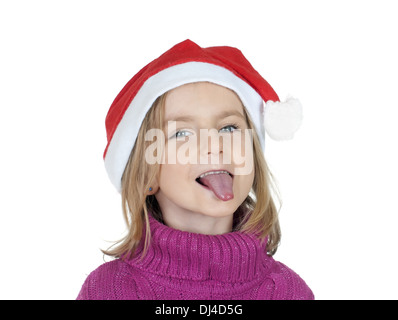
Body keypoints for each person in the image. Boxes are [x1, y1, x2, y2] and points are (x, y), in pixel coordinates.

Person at [77, 39, 314, 300]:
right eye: (181, 133)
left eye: (229, 128)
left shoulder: (289, 293)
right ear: (147, 174)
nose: (214, 144)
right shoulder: (109, 290)